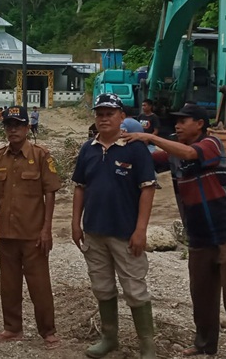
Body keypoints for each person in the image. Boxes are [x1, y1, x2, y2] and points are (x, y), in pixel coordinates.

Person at [123, 103, 226, 359]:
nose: (177, 125)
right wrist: (120, 143)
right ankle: (205, 344)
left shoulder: (212, 144)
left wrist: (149, 136)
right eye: (176, 122)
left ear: (200, 124)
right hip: (199, 235)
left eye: (183, 121)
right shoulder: (173, 153)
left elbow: (190, 154)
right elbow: (146, 161)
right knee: (201, 293)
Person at [71, 93, 157, 359]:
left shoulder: (135, 148)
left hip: (125, 232)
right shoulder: (88, 149)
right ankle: (109, 337)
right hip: (94, 231)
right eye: (100, 114)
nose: (104, 118)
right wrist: (75, 223)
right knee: (102, 286)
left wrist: (141, 229)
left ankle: (147, 346)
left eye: (110, 113)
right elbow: (79, 187)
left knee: (134, 288)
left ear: (122, 117)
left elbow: (148, 189)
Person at [0, 106, 62, 350]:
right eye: (9, 125)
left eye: (18, 125)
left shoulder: (41, 155)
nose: (13, 130)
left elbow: (50, 193)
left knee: (39, 285)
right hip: (7, 233)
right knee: (8, 284)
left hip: (33, 234)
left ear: (27, 128)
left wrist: (46, 229)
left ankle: (48, 331)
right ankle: (12, 328)